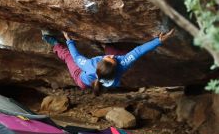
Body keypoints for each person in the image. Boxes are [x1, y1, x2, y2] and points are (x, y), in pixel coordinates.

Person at [42, 29, 174, 96]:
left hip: (80, 78)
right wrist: (159, 41)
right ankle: (107, 45)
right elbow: (138, 51)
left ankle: (51, 41)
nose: (111, 56)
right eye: (110, 58)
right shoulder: (121, 63)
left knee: (67, 56)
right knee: (113, 50)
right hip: (99, 79)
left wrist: (68, 40)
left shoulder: (89, 65)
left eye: (108, 57)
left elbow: (76, 56)